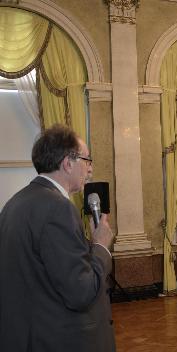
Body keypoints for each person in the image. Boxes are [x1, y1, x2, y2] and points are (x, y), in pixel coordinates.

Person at [0, 125, 115, 352]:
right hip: (58, 339)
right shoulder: (57, 208)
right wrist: (101, 246)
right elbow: (81, 292)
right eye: (86, 160)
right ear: (67, 163)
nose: (90, 170)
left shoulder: (14, 203)